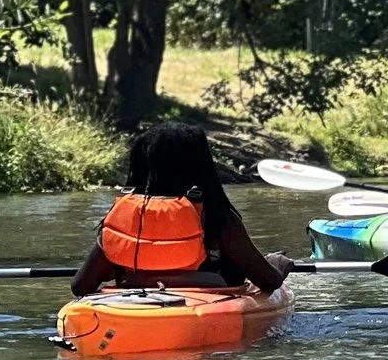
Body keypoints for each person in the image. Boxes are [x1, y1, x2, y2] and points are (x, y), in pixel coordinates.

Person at [72, 123, 289, 296]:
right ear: (200, 164)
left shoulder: (123, 218)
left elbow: (81, 286)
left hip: (133, 309)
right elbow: (268, 281)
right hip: (203, 310)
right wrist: (277, 265)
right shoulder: (217, 218)